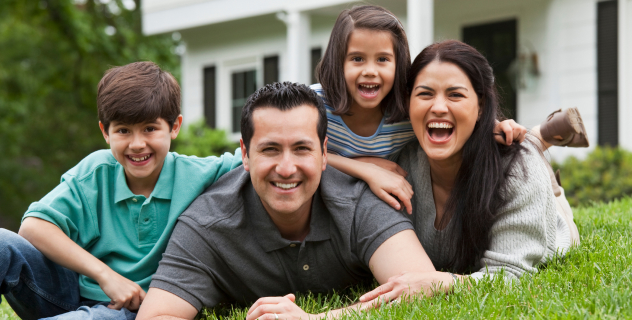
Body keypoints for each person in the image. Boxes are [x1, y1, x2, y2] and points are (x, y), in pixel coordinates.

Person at [0, 61, 243, 320]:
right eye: (123, 130)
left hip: (136, 308)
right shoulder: (97, 170)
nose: (137, 144)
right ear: (105, 132)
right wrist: (106, 276)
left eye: (150, 129)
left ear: (174, 127)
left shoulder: (199, 173)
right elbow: (32, 227)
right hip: (68, 293)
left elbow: (253, 158)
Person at [135, 82, 436, 320]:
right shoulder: (208, 223)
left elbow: (425, 290)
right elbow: (157, 315)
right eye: (270, 150)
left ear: (323, 152)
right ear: (245, 154)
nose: (287, 168)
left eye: (302, 148)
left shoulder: (358, 203)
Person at [357, 40, 583, 304]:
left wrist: (442, 282)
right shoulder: (401, 162)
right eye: (425, 94)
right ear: (408, 103)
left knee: (528, 158)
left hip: (550, 219)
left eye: (455, 95)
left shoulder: (519, 173)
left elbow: (510, 275)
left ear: (481, 107)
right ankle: (538, 136)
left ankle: (537, 143)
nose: (438, 107)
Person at [311, 5, 541, 214]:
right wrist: (364, 168)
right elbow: (294, 153)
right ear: (337, 62)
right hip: (327, 200)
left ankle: (545, 138)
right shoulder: (314, 104)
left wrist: (495, 125)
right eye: (357, 59)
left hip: (373, 205)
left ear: (399, 63)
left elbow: (452, 116)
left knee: (524, 147)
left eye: (382, 59)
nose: (370, 71)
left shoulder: (405, 110)